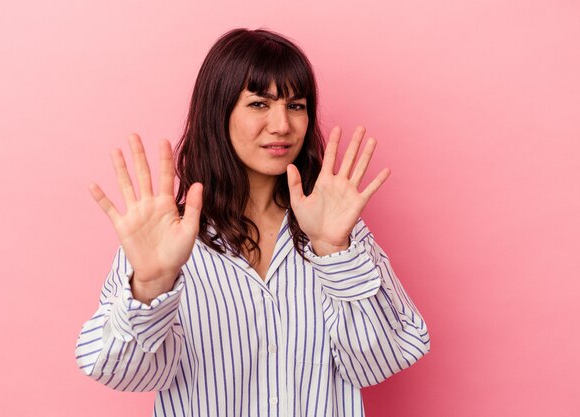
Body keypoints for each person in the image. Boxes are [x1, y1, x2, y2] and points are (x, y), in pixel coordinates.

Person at [75, 28, 430, 417]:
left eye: (296, 105)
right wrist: (152, 285)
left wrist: (333, 250)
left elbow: (381, 361)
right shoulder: (166, 238)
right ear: (218, 112)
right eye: (260, 103)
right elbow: (120, 372)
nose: (282, 125)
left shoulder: (337, 230)